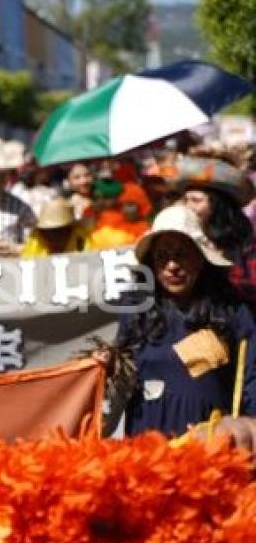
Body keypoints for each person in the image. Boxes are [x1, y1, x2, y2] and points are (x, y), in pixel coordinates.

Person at [106, 205, 256, 438]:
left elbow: (251, 380)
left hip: (212, 446)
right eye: (162, 257)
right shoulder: (135, 311)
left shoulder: (232, 311)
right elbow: (117, 383)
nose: (172, 266)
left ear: (200, 258)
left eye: (181, 254)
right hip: (148, 446)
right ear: (152, 265)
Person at [173, 155, 256, 307]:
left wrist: (219, 263)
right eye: (186, 200)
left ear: (217, 206)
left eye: (196, 200)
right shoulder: (183, 236)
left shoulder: (246, 245)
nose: (189, 207)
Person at [21, 198, 93, 257]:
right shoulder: (34, 245)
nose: (53, 238)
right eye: (48, 232)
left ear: (70, 229)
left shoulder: (82, 243)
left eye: (58, 232)